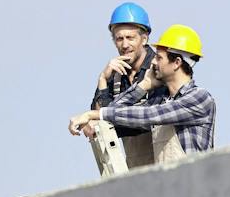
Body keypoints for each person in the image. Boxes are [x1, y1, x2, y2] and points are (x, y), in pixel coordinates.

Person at [68, 24, 215, 165]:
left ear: (176, 62)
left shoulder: (199, 98)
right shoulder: (165, 101)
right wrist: (143, 86)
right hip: (168, 186)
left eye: (159, 57)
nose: (153, 62)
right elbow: (117, 112)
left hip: (194, 188)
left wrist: (93, 114)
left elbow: (148, 114)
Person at [84, 2, 156, 170]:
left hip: (169, 162)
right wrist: (102, 80)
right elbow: (95, 120)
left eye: (130, 38)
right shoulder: (114, 73)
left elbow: (150, 118)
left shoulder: (158, 67)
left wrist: (108, 122)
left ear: (144, 39)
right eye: (119, 39)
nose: (124, 45)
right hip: (137, 167)